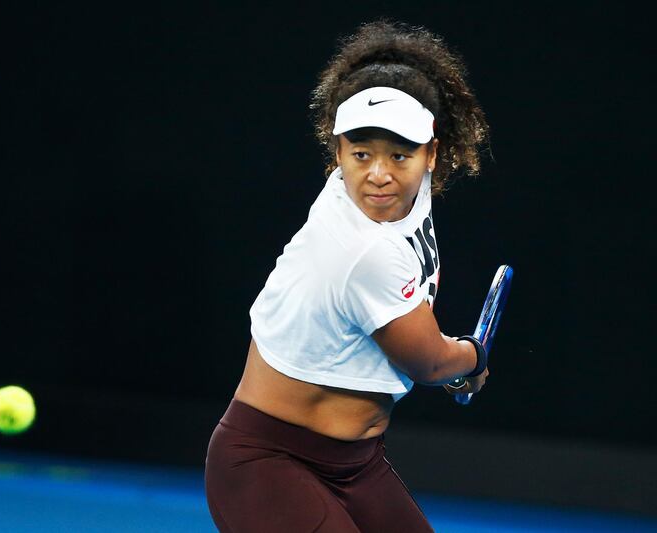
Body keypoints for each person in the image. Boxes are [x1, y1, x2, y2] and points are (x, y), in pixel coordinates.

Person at [205, 18, 490, 533]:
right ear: (337, 154)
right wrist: (472, 356)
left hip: (357, 464)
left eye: (398, 155)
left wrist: (455, 362)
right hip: (268, 463)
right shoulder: (362, 250)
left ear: (432, 155)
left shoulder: (394, 198)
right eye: (361, 155)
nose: (378, 174)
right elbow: (428, 363)